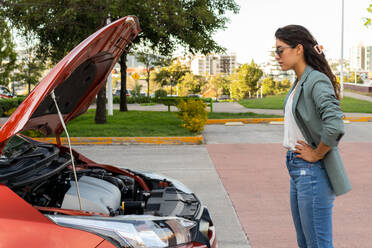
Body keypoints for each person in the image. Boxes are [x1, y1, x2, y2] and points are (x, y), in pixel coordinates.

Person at [274, 25, 352, 248]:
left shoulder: (315, 80)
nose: (277, 56)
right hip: (297, 168)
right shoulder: (299, 81)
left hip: (311, 171)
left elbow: (335, 124)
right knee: (306, 243)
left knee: (317, 244)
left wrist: (317, 154)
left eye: (280, 50)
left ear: (298, 49)